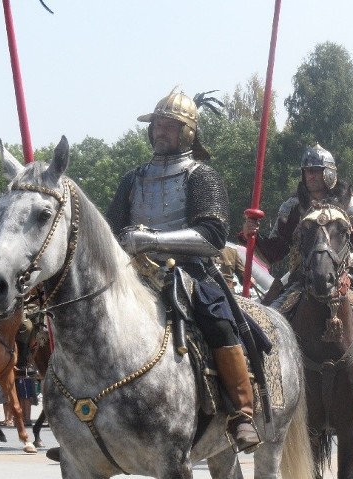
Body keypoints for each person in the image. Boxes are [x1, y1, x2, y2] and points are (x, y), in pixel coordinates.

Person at [104, 88, 259, 453]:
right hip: (132, 272)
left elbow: (212, 237)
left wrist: (151, 239)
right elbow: (110, 230)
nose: (161, 132)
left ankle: (241, 412)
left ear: (187, 133)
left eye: (170, 127)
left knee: (217, 318)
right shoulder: (133, 178)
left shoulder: (201, 176)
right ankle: (86, 420)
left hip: (188, 272)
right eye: (157, 125)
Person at [240, 145, 353, 436]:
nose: (310, 176)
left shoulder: (352, 206)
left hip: (344, 278)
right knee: (262, 322)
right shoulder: (292, 207)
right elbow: (275, 250)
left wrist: (341, 265)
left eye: (316, 171)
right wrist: (253, 236)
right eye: (307, 171)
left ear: (329, 173)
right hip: (299, 279)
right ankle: (257, 395)